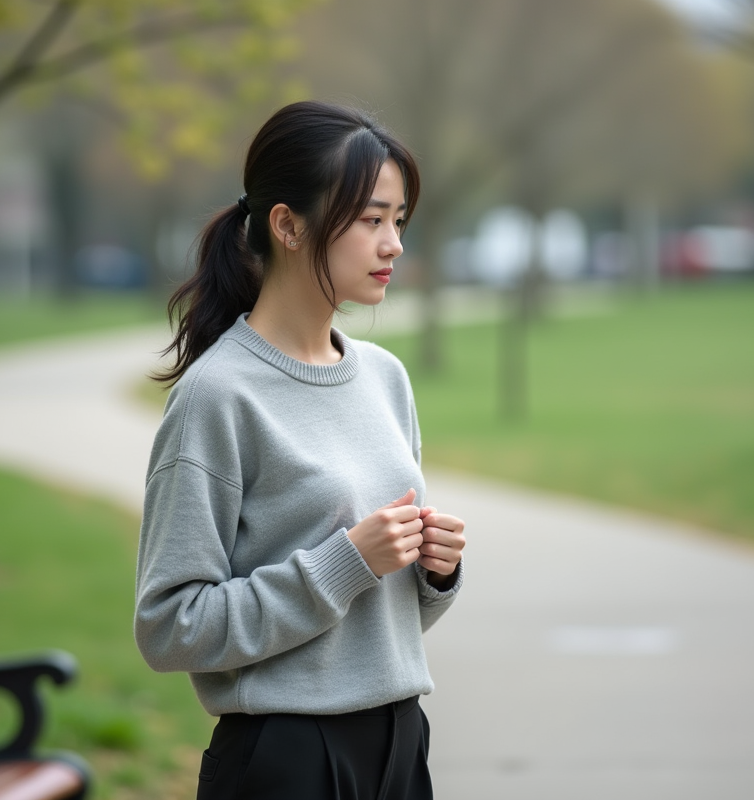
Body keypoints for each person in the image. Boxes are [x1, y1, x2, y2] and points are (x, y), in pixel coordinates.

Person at [134, 100, 467, 800]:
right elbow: (169, 628)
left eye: (398, 221)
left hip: (401, 746)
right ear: (287, 225)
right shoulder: (216, 397)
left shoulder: (384, 378)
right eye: (370, 220)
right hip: (286, 762)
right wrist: (344, 563)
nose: (393, 244)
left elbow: (379, 620)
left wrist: (434, 574)